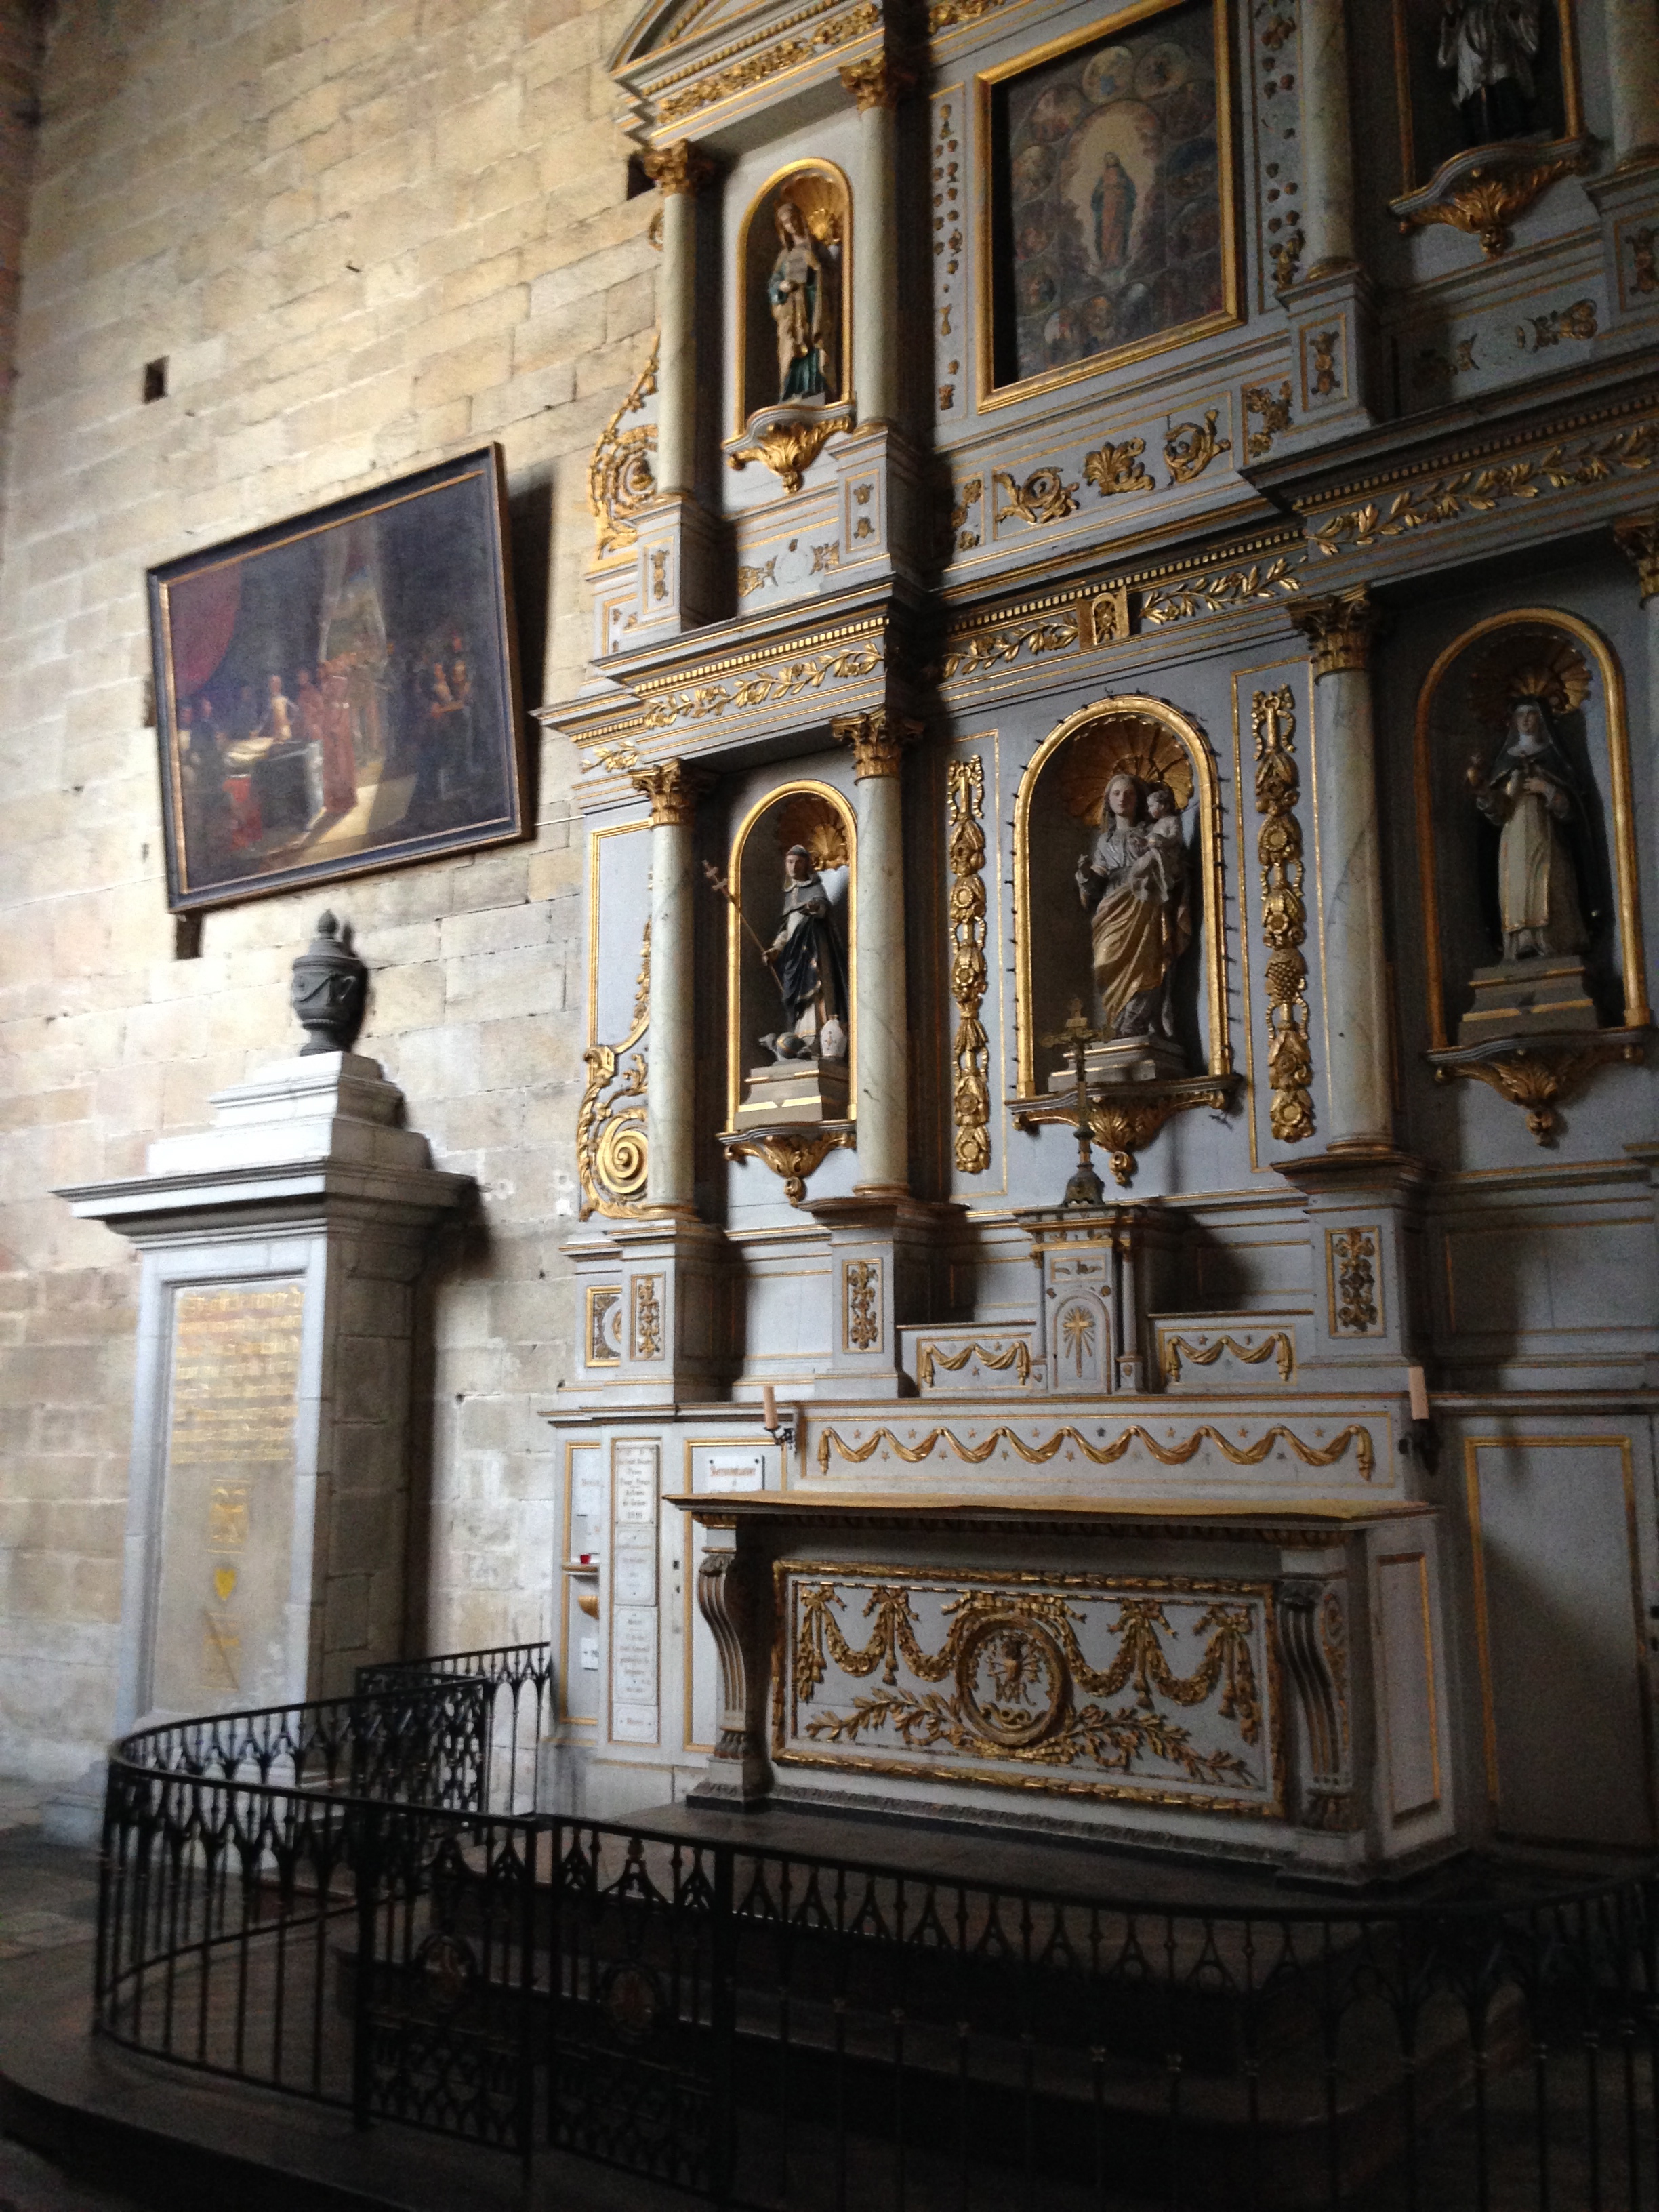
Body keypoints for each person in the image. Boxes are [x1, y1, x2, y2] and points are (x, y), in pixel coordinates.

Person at [1471, 695, 1589, 960]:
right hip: (1513, 838)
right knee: (1517, 888)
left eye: (1531, 713)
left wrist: (1546, 788)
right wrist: (1484, 792)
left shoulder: (1553, 758)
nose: (1525, 720)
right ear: (1513, 721)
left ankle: (1553, 941)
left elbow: (1571, 811)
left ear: (1541, 718)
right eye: (1520, 714)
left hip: (1547, 833)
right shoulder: (1505, 763)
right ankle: (1522, 943)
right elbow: (1497, 813)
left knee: (1551, 882)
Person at [1076, 770, 1191, 1040]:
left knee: (1145, 962)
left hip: (1145, 899)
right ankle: (1116, 1020)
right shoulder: (1104, 840)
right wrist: (1084, 874)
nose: (1122, 798)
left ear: (1139, 799)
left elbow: (1175, 865)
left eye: (1129, 793)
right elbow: (1098, 880)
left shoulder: (1153, 831)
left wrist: (1158, 859)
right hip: (1113, 904)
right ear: (1108, 800)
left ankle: (1135, 1024)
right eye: (1116, 793)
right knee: (1106, 959)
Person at [761, 845, 849, 1061]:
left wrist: (815, 908)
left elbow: (823, 910)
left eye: (798, 862)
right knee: (797, 999)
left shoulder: (815, 888)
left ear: (807, 864)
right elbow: (786, 930)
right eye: (790, 862)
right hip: (794, 956)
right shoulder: (789, 894)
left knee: (816, 991)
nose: (793, 867)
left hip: (813, 950)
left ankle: (817, 1039)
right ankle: (799, 1038)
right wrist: (775, 950)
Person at [1438, 0, 1543, 146]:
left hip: (1506, 77)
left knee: (1512, 118)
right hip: (1475, 87)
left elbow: (1531, 45)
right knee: (1482, 128)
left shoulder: (1502, 9)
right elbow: (1445, 60)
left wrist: (1515, 13)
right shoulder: (1465, 20)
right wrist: (1451, 20)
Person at [767, 198, 835, 403]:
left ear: (800, 219)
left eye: (793, 219)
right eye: (786, 223)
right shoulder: (784, 255)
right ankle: (792, 390)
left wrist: (817, 268)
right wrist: (782, 287)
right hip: (791, 313)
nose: (791, 225)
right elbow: (773, 284)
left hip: (813, 307)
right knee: (791, 349)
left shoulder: (817, 248)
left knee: (813, 344)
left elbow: (834, 281)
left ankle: (815, 385)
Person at [1092, 151, 1136, 270]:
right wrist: (1102, 191)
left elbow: (1131, 193)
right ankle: (1106, 260)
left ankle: (1117, 259)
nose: (1110, 160)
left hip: (1120, 210)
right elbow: (1096, 196)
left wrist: (1121, 192)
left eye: (1112, 158)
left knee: (1118, 234)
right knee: (1106, 234)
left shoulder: (1124, 178)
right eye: (1108, 159)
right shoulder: (1102, 179)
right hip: (1107, 212)